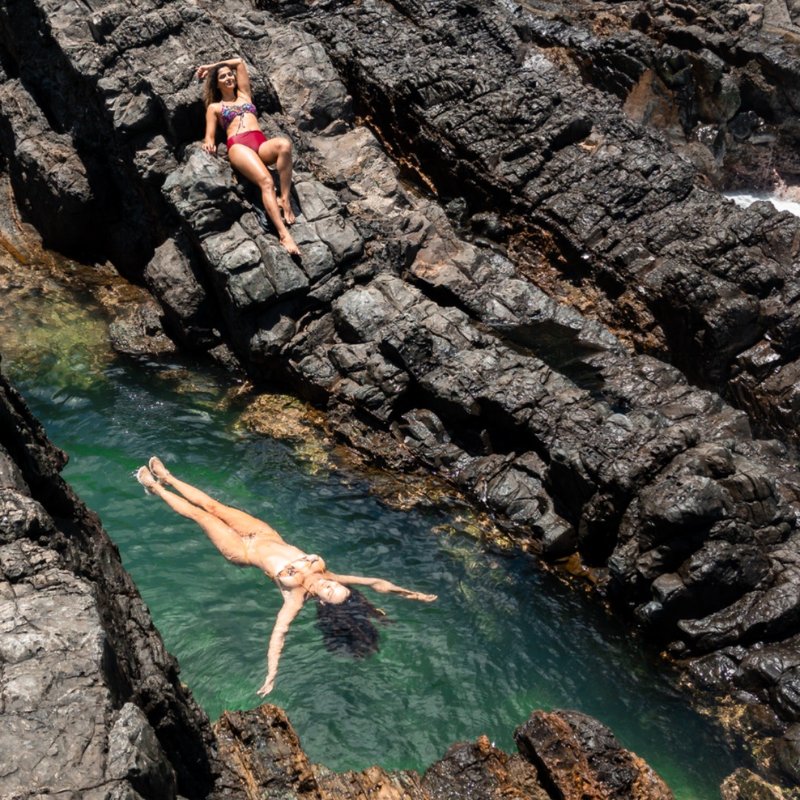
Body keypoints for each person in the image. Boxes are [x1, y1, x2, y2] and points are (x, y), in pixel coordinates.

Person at [135, 457, 437, 696]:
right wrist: (411, 594)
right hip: (264, 533)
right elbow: (374, 583)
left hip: (242, 550)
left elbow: (278, 635)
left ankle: (155, 488)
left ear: (321, 601)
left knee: (201, 515)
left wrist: (271, 675)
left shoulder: (295, 597)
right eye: (333, 585)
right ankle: (168, 477)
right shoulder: (326, 572)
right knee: (215, 506)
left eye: (328, 591)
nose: (327, 584)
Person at [197, 56, 300, 256]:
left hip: (260, 143)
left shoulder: (245, 95)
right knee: (267, 181)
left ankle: (284, 199)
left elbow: (240, 62)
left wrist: (211, 66)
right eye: (223, 77)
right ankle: (284, 235)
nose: (229, 78)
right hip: (238, 145)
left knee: (284, 145)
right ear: (217, 84)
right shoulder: (215, 108)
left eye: (230, 75)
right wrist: (209, 144)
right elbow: (209, 136)